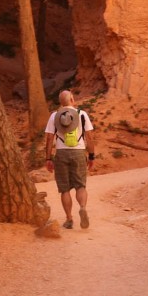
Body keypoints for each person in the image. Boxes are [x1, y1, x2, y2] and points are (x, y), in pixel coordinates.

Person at [44, 90, 96, 229]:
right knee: (80, 185)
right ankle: (83, 207)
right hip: (79, 152)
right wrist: (91, 156)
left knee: (64, 189)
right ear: (72, 99)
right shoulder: (82, 114)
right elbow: (89, 137)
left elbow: (49, 138)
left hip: (61, 154)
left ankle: (69, 219)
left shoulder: (54, 116)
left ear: (60, 102)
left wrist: (48, 158)